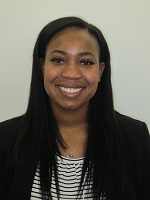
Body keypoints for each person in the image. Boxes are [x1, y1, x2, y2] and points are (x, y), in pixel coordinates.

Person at [0, 16, 150, 200]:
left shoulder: (136, 139)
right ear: (42, 66)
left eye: (86, 62)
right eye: (58, 60)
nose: (71, 73)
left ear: (101, 71)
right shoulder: (5, 139)